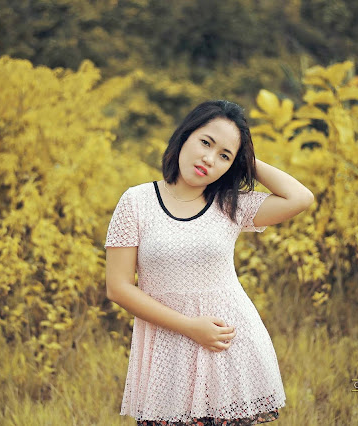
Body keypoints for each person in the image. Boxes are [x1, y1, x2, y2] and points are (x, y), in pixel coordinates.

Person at [104, 100, 314, 425]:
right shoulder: (137, 202)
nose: (209, 159)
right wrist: (190, 327)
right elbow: (118, 288)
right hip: (168, 352)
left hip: (227, 349)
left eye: (224, 156)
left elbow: (300, 198)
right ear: (185, 136)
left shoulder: (230, 205)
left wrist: (246, 159)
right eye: (206, 142)